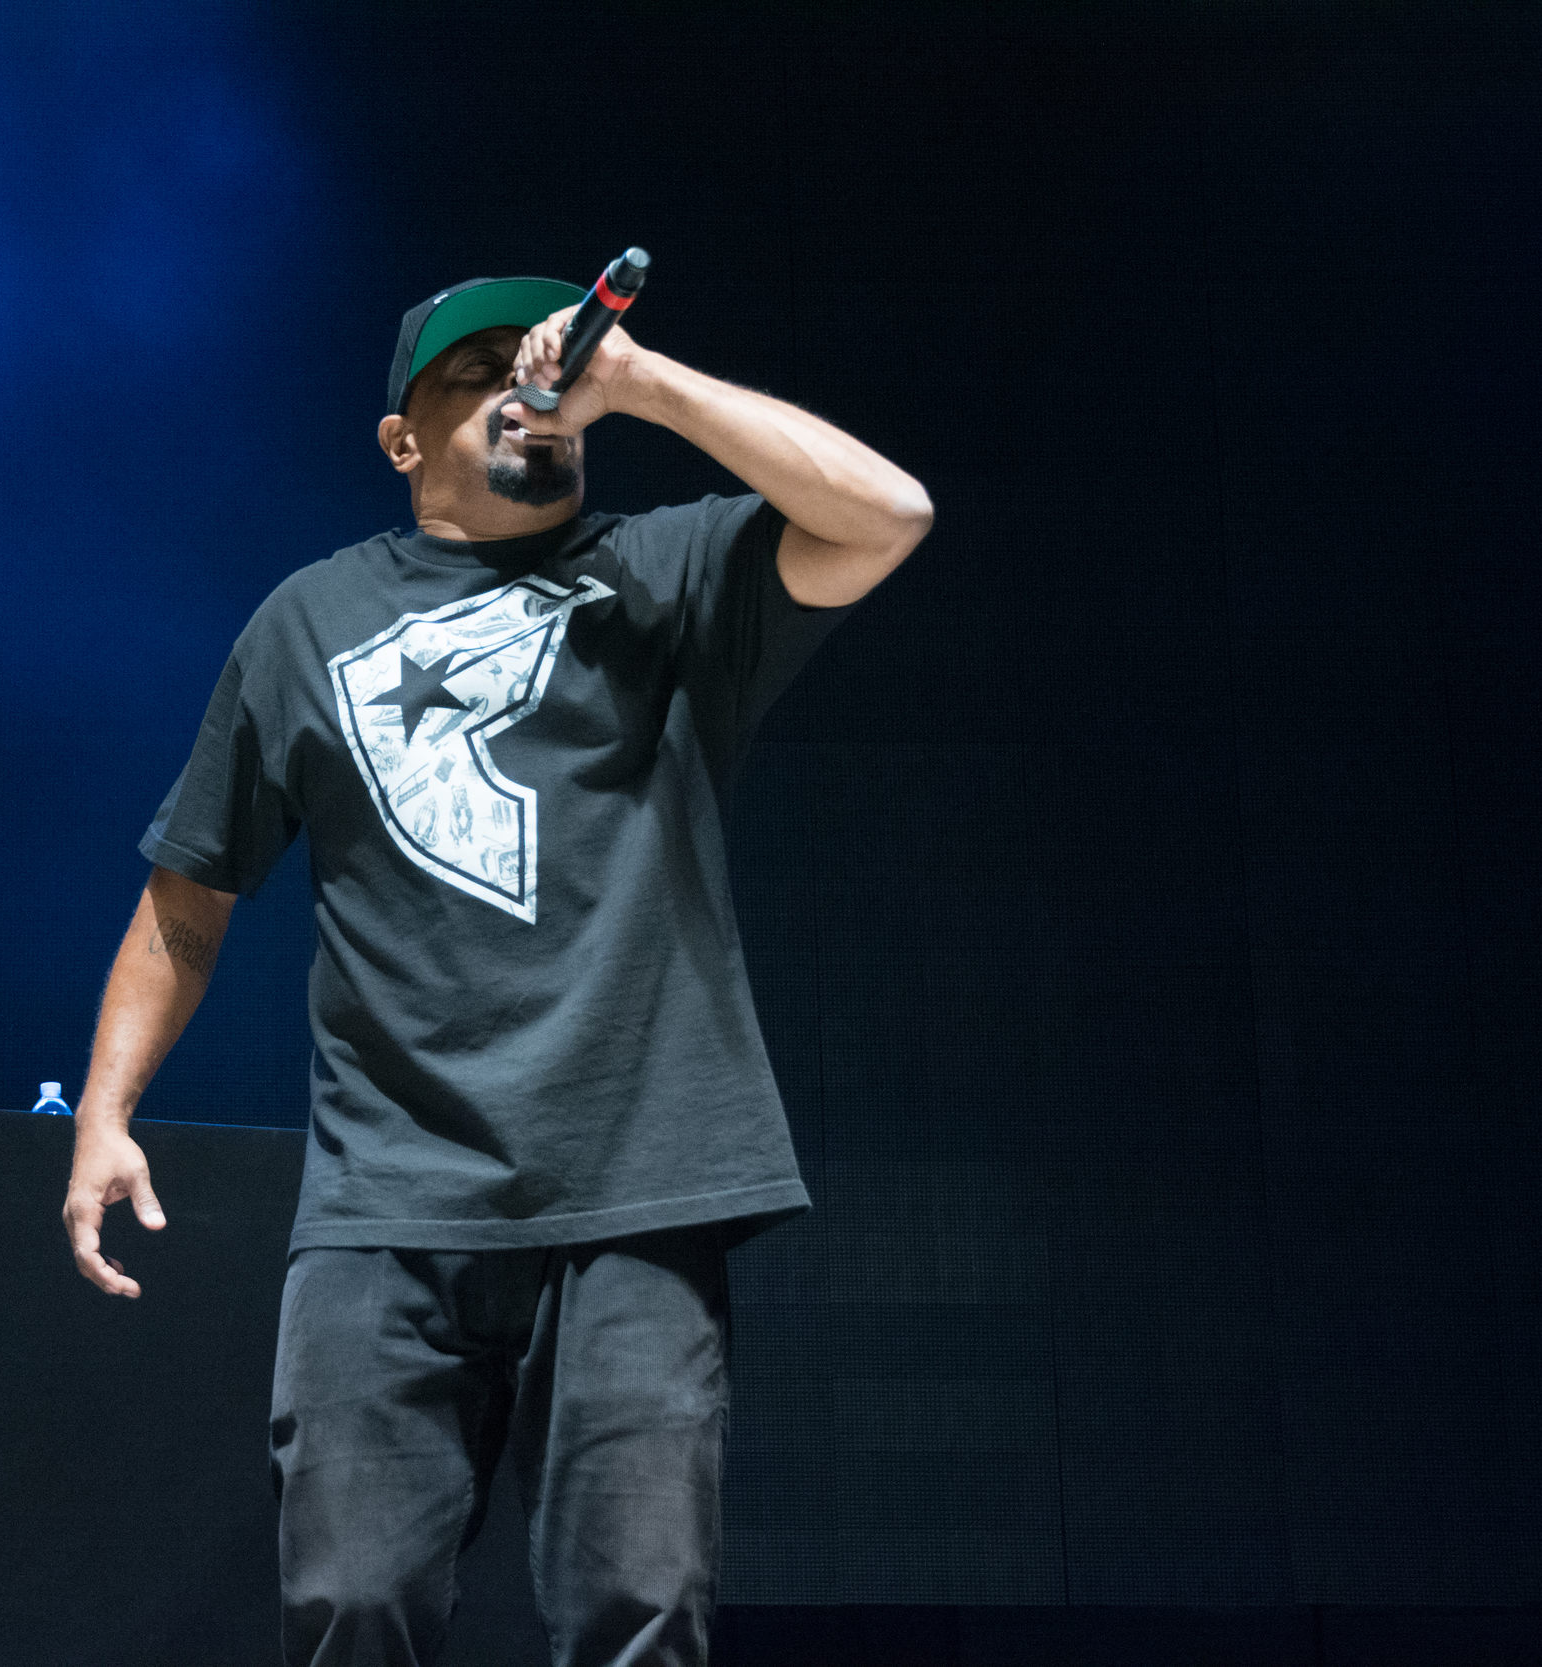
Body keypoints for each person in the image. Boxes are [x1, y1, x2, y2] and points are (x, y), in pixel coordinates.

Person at [63, 273, 932, 1667]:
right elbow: (189, 894)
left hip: (639, 1183)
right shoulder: (308, 619)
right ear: (401, 439)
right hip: (388, 1195)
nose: (525, 390)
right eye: (474, 375)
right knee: (353, 1602)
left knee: (640, 1609)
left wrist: (643, 381)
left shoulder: (666, 572)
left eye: (543, 368)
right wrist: (106, 1112)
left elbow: (889, 513)